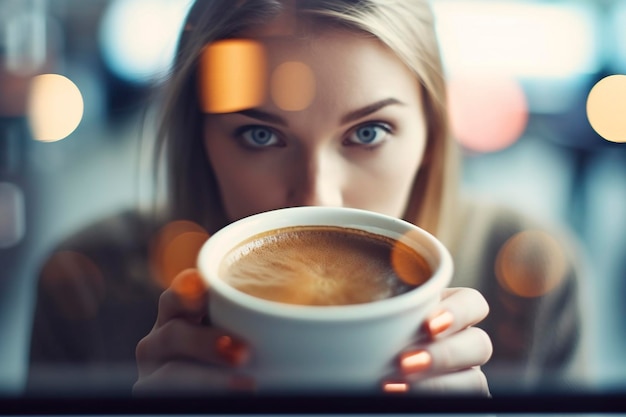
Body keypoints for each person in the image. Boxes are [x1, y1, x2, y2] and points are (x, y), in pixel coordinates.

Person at [27, 0, 585, 399]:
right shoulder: (86, 281)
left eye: (368, 133)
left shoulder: (530, 276)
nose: (317, 196)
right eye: (260, 135)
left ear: (431, 139)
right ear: (199, 138)